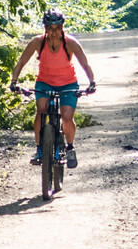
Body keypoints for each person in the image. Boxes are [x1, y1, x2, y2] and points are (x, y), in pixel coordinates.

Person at [8, 11, 97, 168]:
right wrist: (14, 82)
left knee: (67, 116)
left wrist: (92, 82)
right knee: (41, 110)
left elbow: (85, 63)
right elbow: (21, 61)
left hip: (68, 83)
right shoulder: (37, 42)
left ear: (62, 27)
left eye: (57, 28)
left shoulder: (70, 43)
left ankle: (70, 147)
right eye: (50, 28)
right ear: (45, 28)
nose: (54, 32)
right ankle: (40, 149)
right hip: (45, 82)